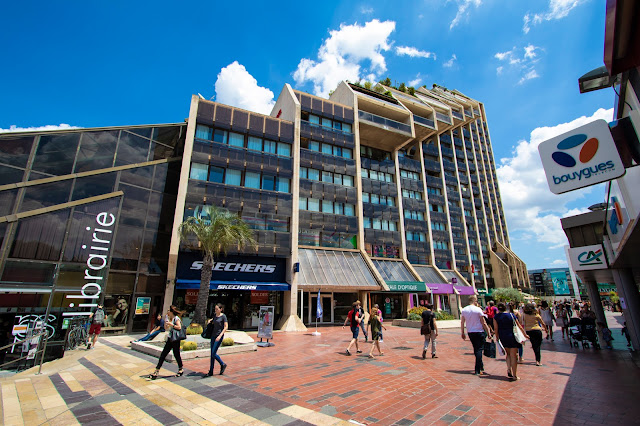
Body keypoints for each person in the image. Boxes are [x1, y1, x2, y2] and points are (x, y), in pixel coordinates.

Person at [494, 302, 528, 380]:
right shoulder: (511, 315)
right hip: (512, 335)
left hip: (503, 336)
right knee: (513, 355)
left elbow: (496, 328)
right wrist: (525, 335)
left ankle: (509, 368)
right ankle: (515, 375)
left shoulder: (496, 317)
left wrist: (497, 337)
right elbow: (519, 326)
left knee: (508, 353)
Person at [460, 295, 493, 376]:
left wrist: (462, 332)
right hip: (479, 331)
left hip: (470, 332)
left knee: (476, 349)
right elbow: (483, 322)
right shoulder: (478, 309)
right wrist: (488, 332)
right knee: (479, 350)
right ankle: (477, 369)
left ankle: (481, 366)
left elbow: (462, 322)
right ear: (474, 301)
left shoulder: (464, 309)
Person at [150, 305, 185, 379]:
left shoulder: (176, 318)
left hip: (175, 339)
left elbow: (179, 327)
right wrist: (166, 323)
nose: (167, 312)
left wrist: (171, 324)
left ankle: (181, 368)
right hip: (170, 338)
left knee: (176, 354)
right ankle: (157, 370)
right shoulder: (169, 318)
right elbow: (166, 329)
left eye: (168, 311)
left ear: (171, 312)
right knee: (163, 354)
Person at [203, 303, 229, 377]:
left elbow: (226, 327)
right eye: (215, 309)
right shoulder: (215, 315)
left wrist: (220, 335)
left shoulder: (223, 316)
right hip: (213, 336)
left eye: (217, 309)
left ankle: (222, 364)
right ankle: (211, 371)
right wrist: (210, 321)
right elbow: (213, 320)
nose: (216, 310)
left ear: (221, 309)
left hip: (218, 336)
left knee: (213, 353)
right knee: (212, 354)